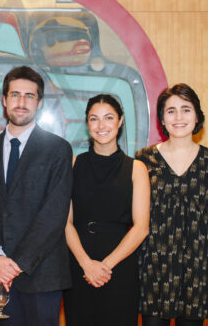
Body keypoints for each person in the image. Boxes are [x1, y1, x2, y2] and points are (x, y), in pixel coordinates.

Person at [0, 65, 73, 326]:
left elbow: (54, 215)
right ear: (4, 101)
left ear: (39, 103)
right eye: (15, 95)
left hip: (41, 274)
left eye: (29, 96)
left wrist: (12, 265)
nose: (21, 102)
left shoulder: (58, 149)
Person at [136, 84, 208, 326]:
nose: (179, 117)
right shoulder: (144, 160)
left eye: (186, 109)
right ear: (162, 118)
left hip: (197, 265)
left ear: (197, 116)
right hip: (155, 264)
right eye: (171, 111)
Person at [63, 94, 150, 326]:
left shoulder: (136, 168)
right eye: (94, 119)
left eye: (108, 118)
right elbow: (65, 222)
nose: (101, 126)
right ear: (87, 124)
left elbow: (141, 228)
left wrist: (105, 266)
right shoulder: (73, 164)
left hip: (120, 264)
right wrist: (86, 264)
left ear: (120, 121)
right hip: (79, 263)